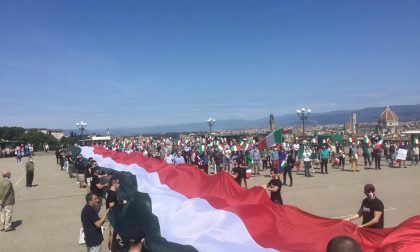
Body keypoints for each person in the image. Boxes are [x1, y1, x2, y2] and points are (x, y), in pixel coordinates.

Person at [106, 178, 120, 252]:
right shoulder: (112, 194)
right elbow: (112, 206)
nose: (118, 184)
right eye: (117, 183)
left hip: (110, 215)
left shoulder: (109, 191)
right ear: (114, 184)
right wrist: (121, 204)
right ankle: (112, 249)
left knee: (111, 232)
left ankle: (110, 246)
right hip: (113, 216)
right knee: (113, 234)